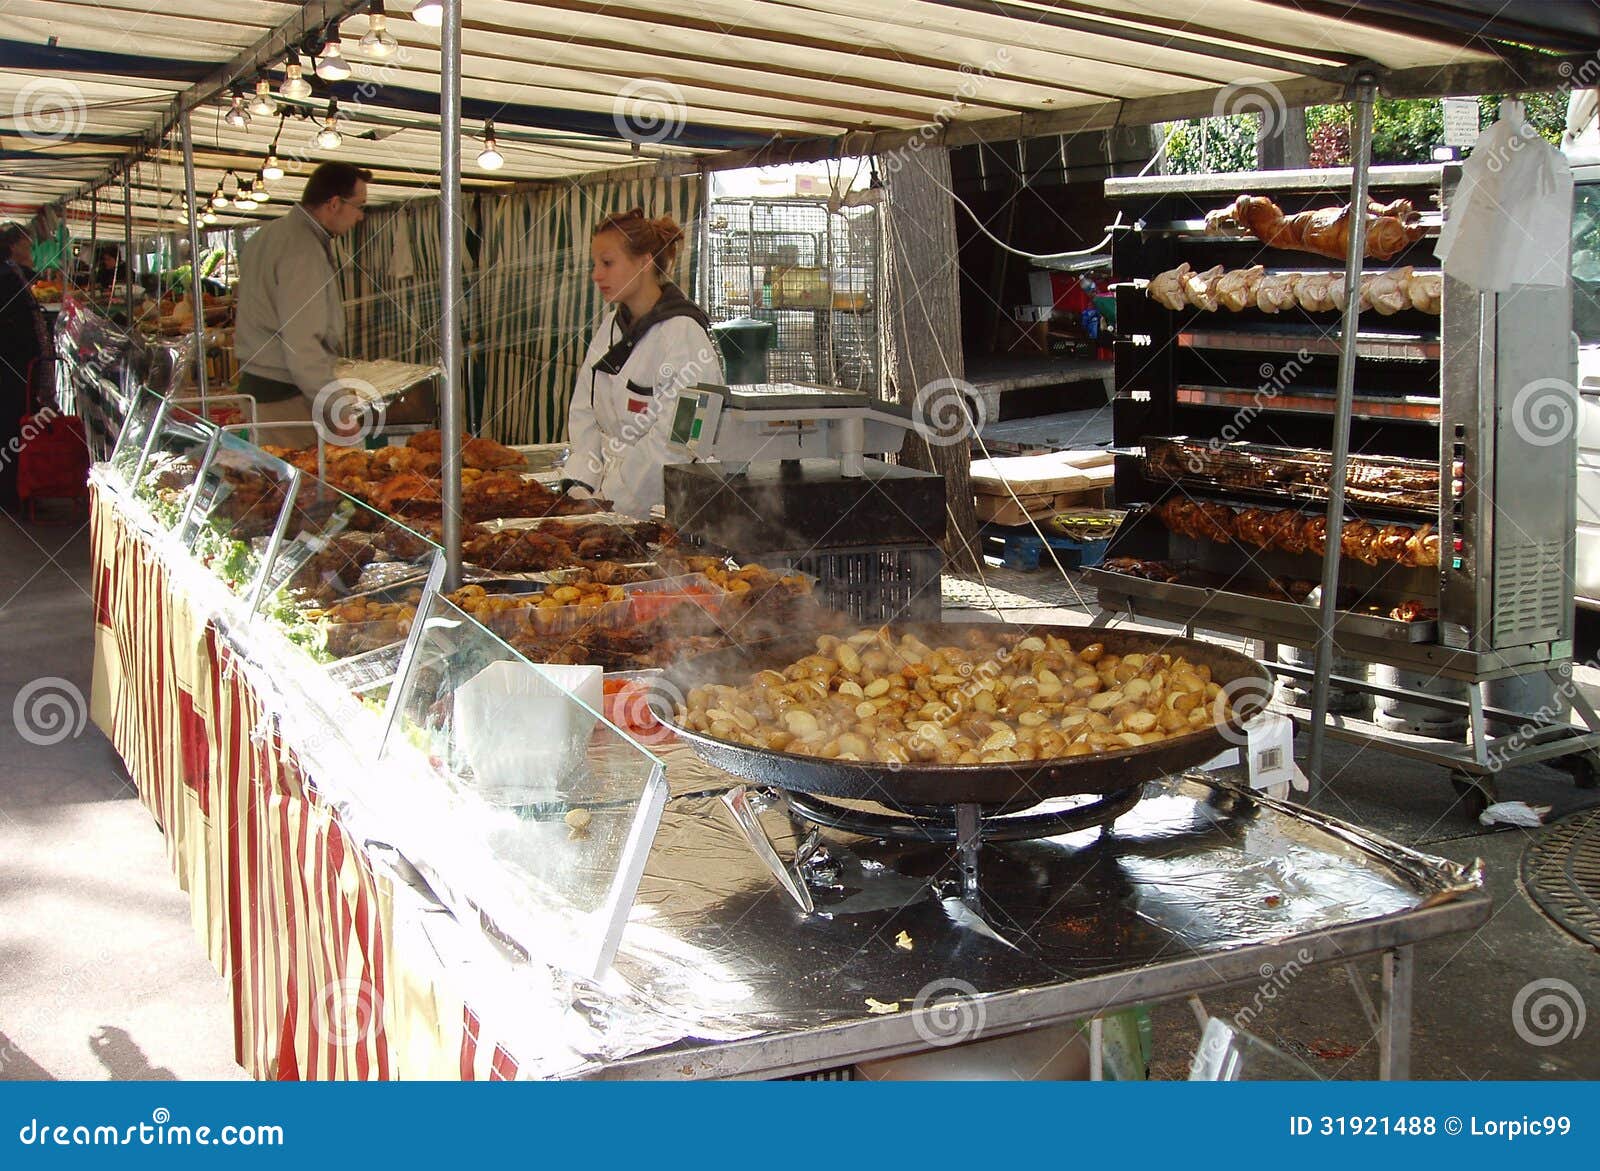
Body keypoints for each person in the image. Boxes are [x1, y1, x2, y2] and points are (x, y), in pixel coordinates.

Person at [564, 208, 721, 518]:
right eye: (595, 265)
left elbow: (679, 442)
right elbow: (585, 412)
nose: (596, 275)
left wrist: (613, 501)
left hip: (668, 509)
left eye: (607, 263)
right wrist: (581, 484)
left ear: (645, 262)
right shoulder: (611, 327)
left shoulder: (684, 336)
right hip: (608, 502)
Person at [235, 161, 371, 438]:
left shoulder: (266, 235)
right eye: (359, 206)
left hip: (261, 388)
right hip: (286, 397)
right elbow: (302, 342)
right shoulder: (303, 250)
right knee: (303, 467)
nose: (360, 217)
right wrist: (336, 407)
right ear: (334, 203)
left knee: (271, 465)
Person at [0, 223, 48, 510]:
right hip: (12, 367)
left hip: (15, 365)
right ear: (13, 246)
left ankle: (14, 489)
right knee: (12, 424)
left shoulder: (13, 274)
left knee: (13, 424)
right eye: (26, 244)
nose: (30, 249)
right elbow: (16, 324)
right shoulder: (7, 278)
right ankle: (11, 493)